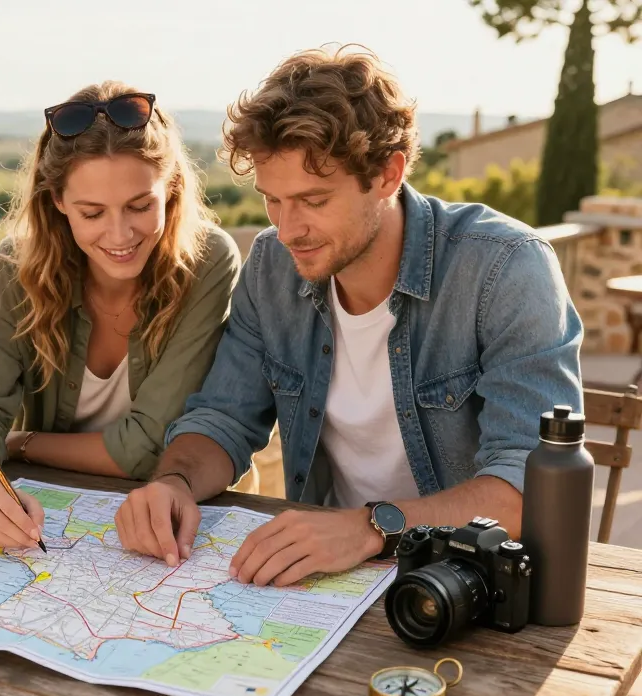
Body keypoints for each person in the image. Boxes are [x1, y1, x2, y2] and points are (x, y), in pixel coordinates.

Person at [113, 45, 584, 587]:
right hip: (323, 579)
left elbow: (530, 481)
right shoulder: (272, 266)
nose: (288, 230)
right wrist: (174, 482)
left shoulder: (504, 268)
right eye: (273, 200)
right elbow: (223, 417)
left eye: (313, 201)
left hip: (466, 579)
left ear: (388, 174)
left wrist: (371, 528)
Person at [0, 82, 241, 552]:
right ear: (57, 201)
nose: (120, 234)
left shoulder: (207, 261)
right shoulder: (17, 269)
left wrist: (19, 444)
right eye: (92, 213)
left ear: (172, 188)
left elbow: (146, 448)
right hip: (59, 520)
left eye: (140, 206)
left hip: (184, 524)